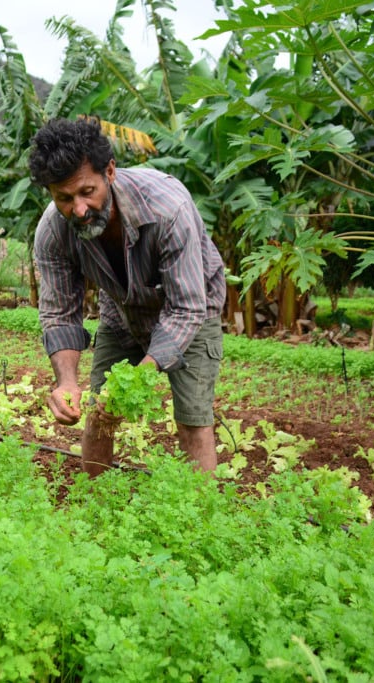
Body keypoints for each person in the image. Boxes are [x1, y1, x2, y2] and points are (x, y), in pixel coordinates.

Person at [29, 117, 227, 476]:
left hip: (191, 310)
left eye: (87, 192)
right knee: (98, 413)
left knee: (192, 419)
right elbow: (59, 315)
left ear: (110, 172)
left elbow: (185, 309)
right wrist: (67, 383)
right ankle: (95, 499)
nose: (79, 210)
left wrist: (136, 383)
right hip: (121, 309)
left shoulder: (167, 209)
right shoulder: (53, 232)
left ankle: (201, 519)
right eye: (64, 198)